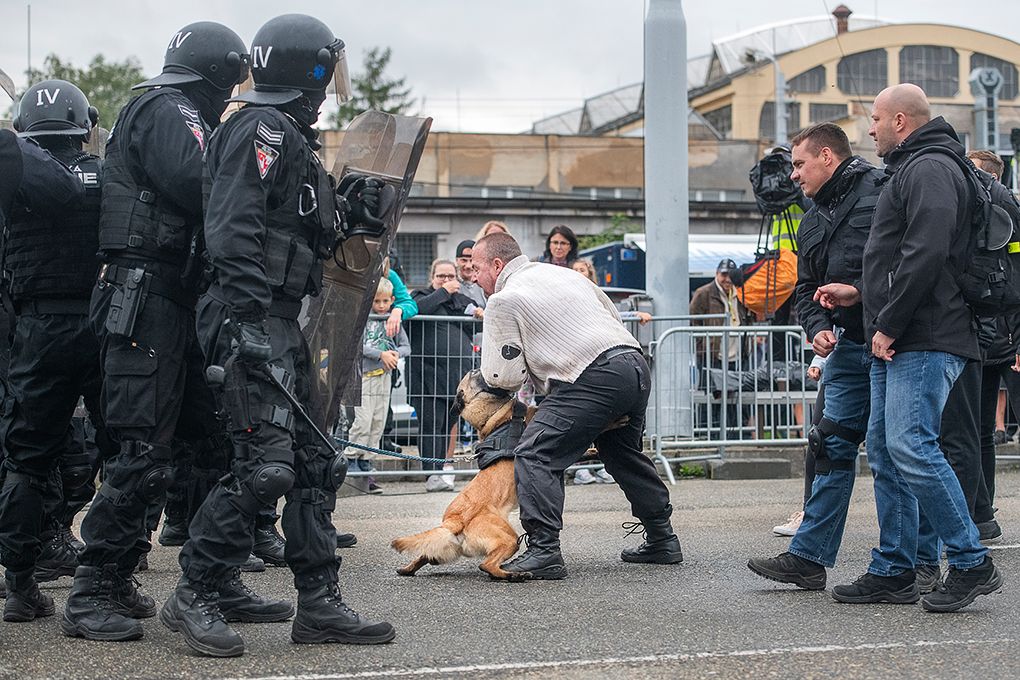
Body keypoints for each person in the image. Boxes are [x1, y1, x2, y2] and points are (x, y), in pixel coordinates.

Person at [162, 15, 397, 656]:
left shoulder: (289, 138)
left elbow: (297, 234)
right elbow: (232, 229)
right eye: (329, 70)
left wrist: (346, 211)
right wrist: (243, 323)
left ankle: (318, 606)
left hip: (277, 318)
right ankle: (193, 593)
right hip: (249, 319)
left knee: (315, 463)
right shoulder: (258, 129)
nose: (333, 84)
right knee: (264, 468)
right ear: (310, 71)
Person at [62, 22, 261, 643]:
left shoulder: (174, 107)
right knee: (142, 451)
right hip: (146, 299)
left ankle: (213, 577)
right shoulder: (166, 107)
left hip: (175, 298)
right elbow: (205, 186)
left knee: (212, 443)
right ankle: (95, 587)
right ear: (221, 70)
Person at [819, 83, 1001, 612]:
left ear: (900, 120)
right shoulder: (920, 165)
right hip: (901, 333)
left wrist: (890, 322)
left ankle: (969, 561)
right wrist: (865, 295)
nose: (869, 129)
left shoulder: (929, 167)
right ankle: (895, 569)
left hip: (922, 334)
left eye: (874, 119)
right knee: (887, 451)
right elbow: (904, 255)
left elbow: (927, 250)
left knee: (910, 446)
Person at [471, 233, 682, 580]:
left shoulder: (503, 300)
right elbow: (612, 315)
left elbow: (504, 376)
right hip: (632, 363)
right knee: (622, 454)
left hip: (590, 374)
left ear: (497, 265)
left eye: (477, 269)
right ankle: (663, 538)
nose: (473, 277)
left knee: (535, 453)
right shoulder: (565, 274)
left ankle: (544, 550)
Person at [745, 123, 885, 590]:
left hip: (892, 345)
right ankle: (808, 559)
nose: (793, 176)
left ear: (827, 156)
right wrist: (819, 328)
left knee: (893, 455)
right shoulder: (810, 220)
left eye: (800, 164)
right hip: (846, 347)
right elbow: (805, 290)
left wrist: (860, 293)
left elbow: (910, 264)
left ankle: (912, 564)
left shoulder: (885, 191)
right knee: (828, 444)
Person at [0, 80, 100, 622]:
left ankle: (19, 585)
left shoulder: (15, 179)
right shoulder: (106, 178)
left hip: (35, 332)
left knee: (25, 462)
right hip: (105, 324)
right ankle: (111, 578)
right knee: (127, 452)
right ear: (84, 126)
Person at [409, 259, 476, 492]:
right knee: (430, 425)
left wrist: (478, 313)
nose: (446, 281)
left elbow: (474, 318)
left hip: (454, 376)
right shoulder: (420, 295)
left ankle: (440, 470)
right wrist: (444, 292)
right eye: (441, 276)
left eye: (450, 277)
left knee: (446, 426)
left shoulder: (459, 300)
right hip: (426, 375)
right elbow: (419, 310)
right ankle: (431, 473)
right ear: (432, 278)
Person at [344, 277, 410, 493]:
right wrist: (380, 354)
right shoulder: (365, 319)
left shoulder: (393, 322)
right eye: (377, 302)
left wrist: (394, 354)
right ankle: (352, 459)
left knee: (378, 422)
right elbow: (358, 345)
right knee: (363, 420)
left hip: (384, 376)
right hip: (365, 375)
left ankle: (367, 462)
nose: (381, 306)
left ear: (391, 300)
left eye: (385, 302)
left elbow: (405, 346)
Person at [455, 240, 486, 314]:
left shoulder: (484, 284)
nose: (468, 266)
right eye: (464, 260)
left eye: (472, 261)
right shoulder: (452, 284)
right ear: (456, 261)